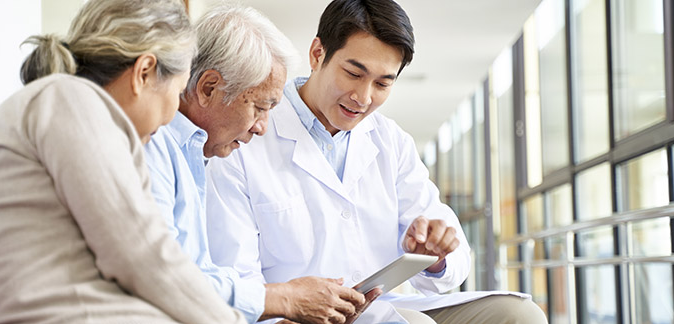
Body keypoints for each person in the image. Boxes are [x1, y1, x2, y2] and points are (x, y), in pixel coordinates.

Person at [204, 0, 548, 323]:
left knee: (519, 314)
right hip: (296, 316)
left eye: (383, 83)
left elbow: (449, 260)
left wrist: (436, 254)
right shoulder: (245, 134)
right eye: (354, 74)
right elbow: (235, 277)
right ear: (317, 53)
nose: (364, 98)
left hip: (380, 307)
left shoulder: (390, 142)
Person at [0, 0, 246, 323]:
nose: (170, 117)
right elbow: (142, 254)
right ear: (145, 72)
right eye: (177, 92)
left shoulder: (64, 106)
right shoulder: (70, 101)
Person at [144, 5, 377, 324]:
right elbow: (167, 282)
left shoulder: (191, 155)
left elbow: (202, 277)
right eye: (259, 107)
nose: (262, 127)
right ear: (208, 88)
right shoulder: (154, 146)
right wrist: (286, 298)